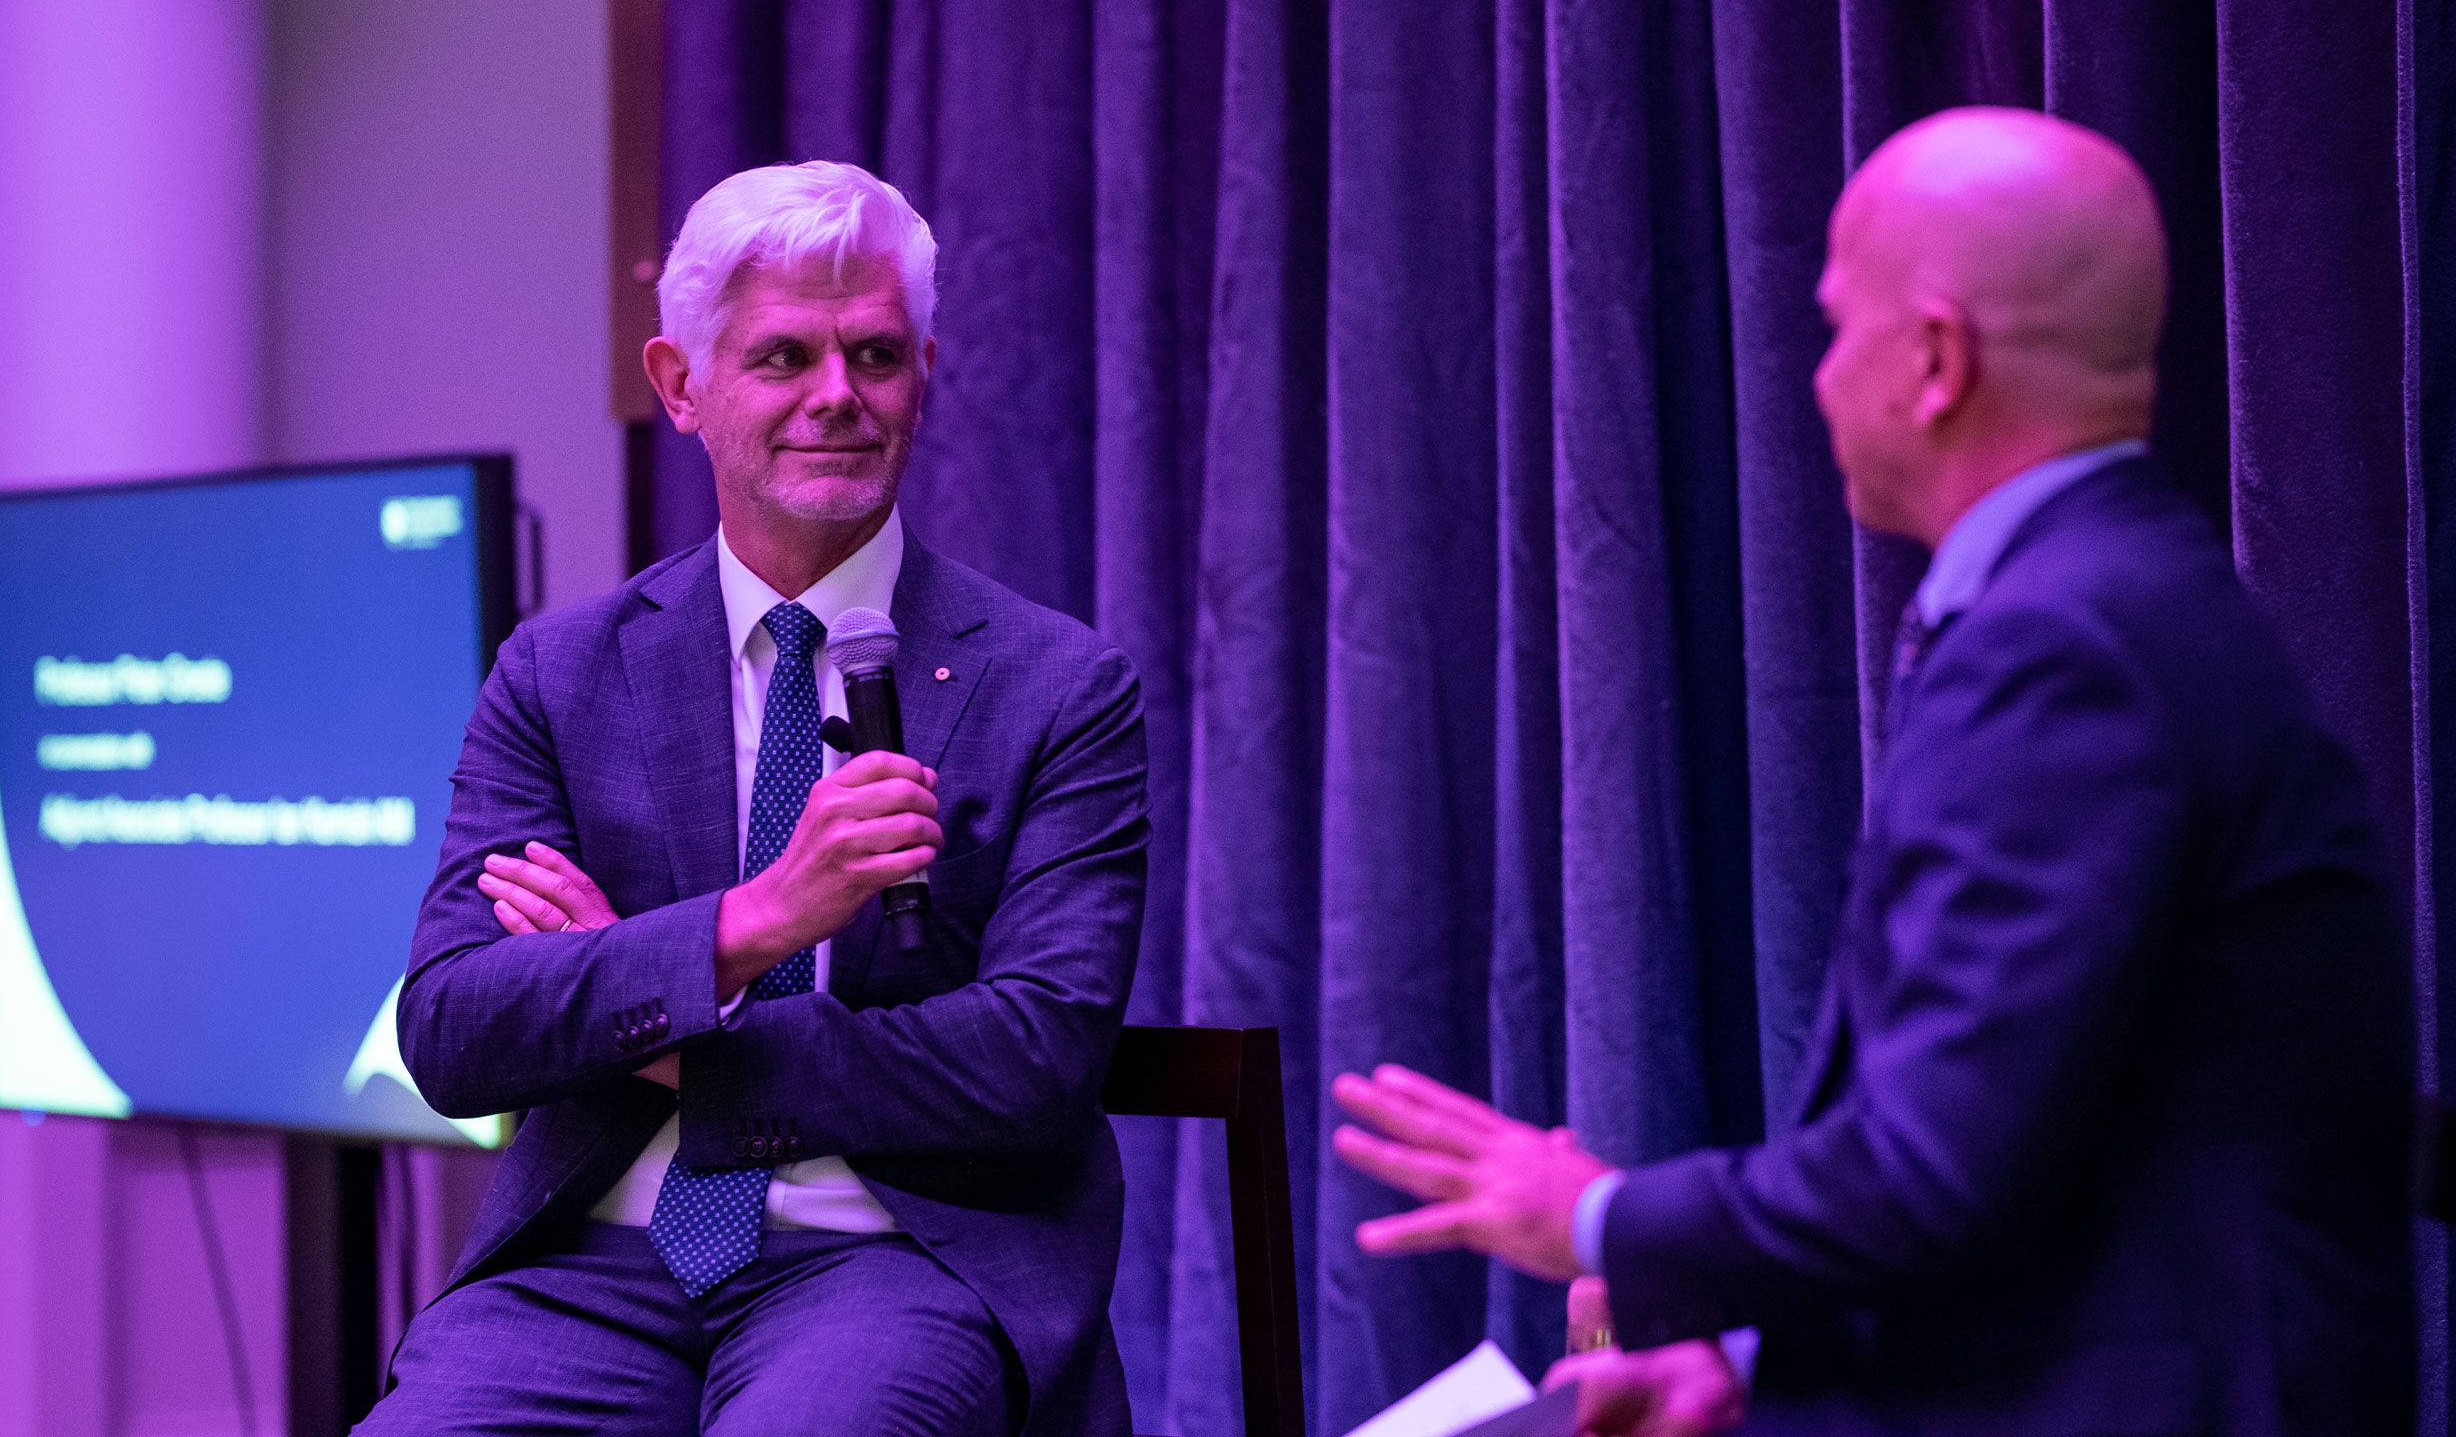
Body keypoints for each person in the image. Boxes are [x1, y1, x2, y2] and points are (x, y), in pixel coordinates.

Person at [1332, 107, 2414, 1435]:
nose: (1821, 374)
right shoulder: (2127, 602)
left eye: (1841, 328)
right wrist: (1741, 1357)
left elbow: (1935, 1175)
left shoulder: (2067, 646)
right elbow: (2057, 1150)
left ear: (1936, 361)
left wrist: (1594, 1221)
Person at [363, 160, 1149, 1436]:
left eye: (876, 355)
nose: (837, 397)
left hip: (895, 1266)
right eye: (784, 358)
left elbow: (1031, 1066)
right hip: (585, 1274)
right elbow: (456, 1030)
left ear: (925, 371)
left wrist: (652, 1016)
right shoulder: (563, 672)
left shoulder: (1057, 686)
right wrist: (755, 923)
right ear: (682, 384)